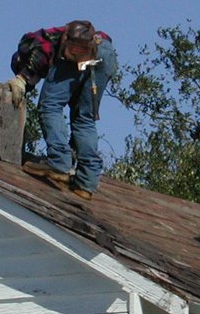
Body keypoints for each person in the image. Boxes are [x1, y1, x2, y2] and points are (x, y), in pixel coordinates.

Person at [8, 20, 118, 201]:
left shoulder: (31, 45)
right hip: (104, 54)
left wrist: (22, 78)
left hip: (78, 50)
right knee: (84, 118)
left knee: (50, 106)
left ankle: (59, 162)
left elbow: (39, 54)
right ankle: (86, 182)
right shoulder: (55, 46)